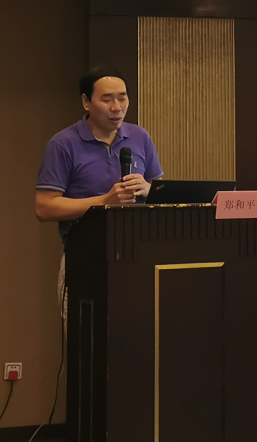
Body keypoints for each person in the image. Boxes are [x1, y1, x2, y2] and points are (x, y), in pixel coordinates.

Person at [36, 68, 163, 316]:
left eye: (123, 98)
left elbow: (161, 191)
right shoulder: (62, 144)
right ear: (86, 102)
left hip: (139, 255)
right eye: (107, 100)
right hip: (85, 257)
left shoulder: (140, 137)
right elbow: (44, 207)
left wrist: (148, 189)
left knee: (138, 331)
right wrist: (104, 201)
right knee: (86, 335)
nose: (117, 107)